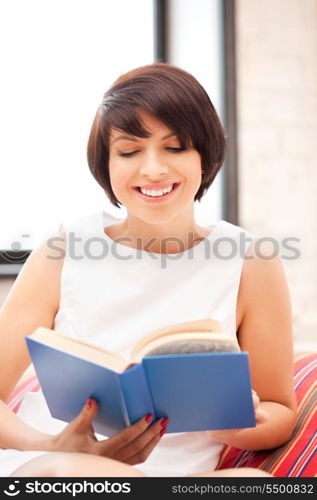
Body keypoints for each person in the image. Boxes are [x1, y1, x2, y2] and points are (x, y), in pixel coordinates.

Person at [0, 62, 297, 477]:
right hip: (54, 468)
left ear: (204, 155)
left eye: (175, 148)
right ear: (105, 163)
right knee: (76, 472)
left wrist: (237, 425)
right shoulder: (64, 248)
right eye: (129, 151)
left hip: (175, 479)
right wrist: (51, 444)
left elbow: (280, 409)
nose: (153, 169)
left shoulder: (251, 259)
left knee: (253, 482)